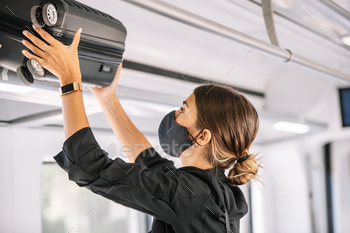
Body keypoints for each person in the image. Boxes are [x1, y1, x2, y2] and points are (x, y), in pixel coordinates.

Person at [21, 24, 263, 233]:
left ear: (202, 136)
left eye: (183, 109)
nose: (175, 115)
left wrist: (70, 80)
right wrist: (108, 100)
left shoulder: (193, 196)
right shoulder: (217, 191)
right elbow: (152, 165)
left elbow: (89, 167)